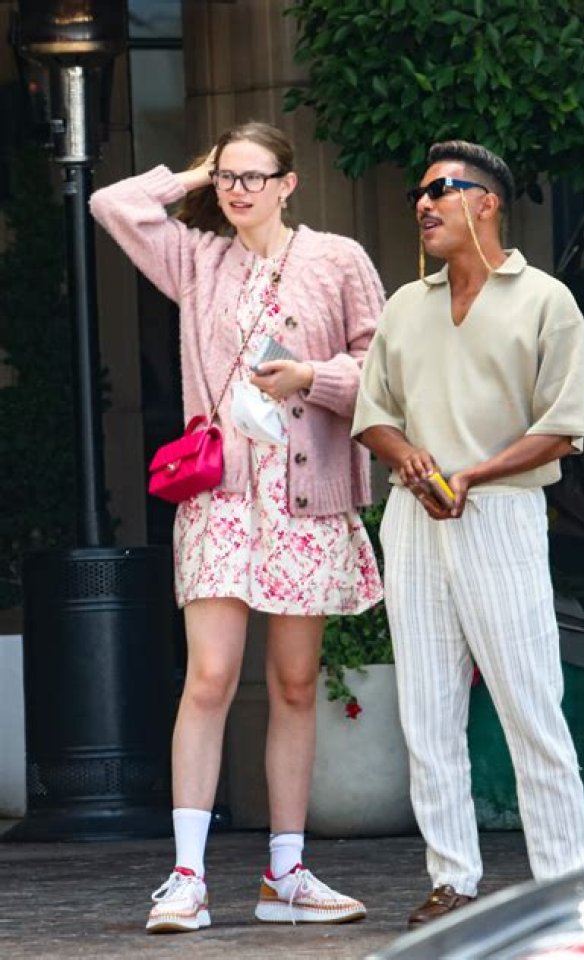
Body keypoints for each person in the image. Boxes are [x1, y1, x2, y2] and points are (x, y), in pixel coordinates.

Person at [90, 121, 384, 932]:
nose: (238, 191)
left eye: (255, 177)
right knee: (210, 678)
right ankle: (187, 877)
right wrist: (191, 176)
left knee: (293, 684)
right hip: (220, 497)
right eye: (228, 177)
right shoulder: (198, 258)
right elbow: (112, 204)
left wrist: (310, 376)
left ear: (290, 183)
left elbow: (382, 368)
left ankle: (285, 875)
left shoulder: (338, 260)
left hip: (304, 499)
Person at [352, 140, 584, 927]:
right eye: (418, 195)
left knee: (531, 705)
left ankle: (566, 885)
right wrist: (408, 459)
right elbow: (373, 415)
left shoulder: (546, 301)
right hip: (413, 516)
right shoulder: (404, 305)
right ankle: (453, 880)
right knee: (426, 711)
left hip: (502, 512)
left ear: (486, 203)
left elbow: (562, 428)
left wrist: (473, 474)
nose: (423, 205)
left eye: (440, 191)